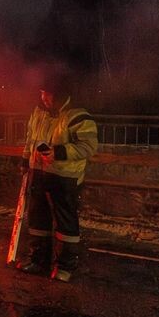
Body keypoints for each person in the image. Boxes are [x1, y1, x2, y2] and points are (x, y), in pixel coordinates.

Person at [16, 75, 98, 282]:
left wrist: (58, 153)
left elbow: (88, 147)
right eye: (42, 92)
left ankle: (65, 267)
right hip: (39, 174)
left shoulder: (79, 116)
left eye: (47, 93)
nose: (43, 97)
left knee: (65, 224)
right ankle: (38, 261)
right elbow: (31, 138)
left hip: (64, 178)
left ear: (60, 95)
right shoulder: (38, 112)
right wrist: (25, 160)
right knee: (37, 219)